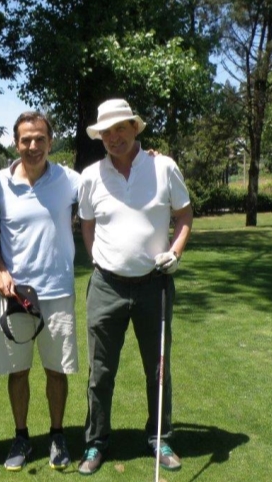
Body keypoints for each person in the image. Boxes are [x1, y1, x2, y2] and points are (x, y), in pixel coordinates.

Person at [76, 99, 193, 475]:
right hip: (106, 286)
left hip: (154, 285)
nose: (113, 137)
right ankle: (95, 443)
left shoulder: (164, 167)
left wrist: (175, 250)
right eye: (106, 132)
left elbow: (184, 213)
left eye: (120, 128)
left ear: (134, 127)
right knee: (100, 371)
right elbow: (88, 225)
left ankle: (160, 437)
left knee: (158, 368)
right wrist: (100, 261)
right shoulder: (91, 175)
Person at [0, 112, 80, 472]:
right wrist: (0, 270)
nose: (33, 146)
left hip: (57, 292)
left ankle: (57, 435)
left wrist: (144, 155)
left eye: (40, 139)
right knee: (18, 371)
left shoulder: (69, 180)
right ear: (16, 142)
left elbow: (107, 182)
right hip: (14, 296)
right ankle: (21, 436)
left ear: (50, 142)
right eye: (26, 139)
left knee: (57, 371)